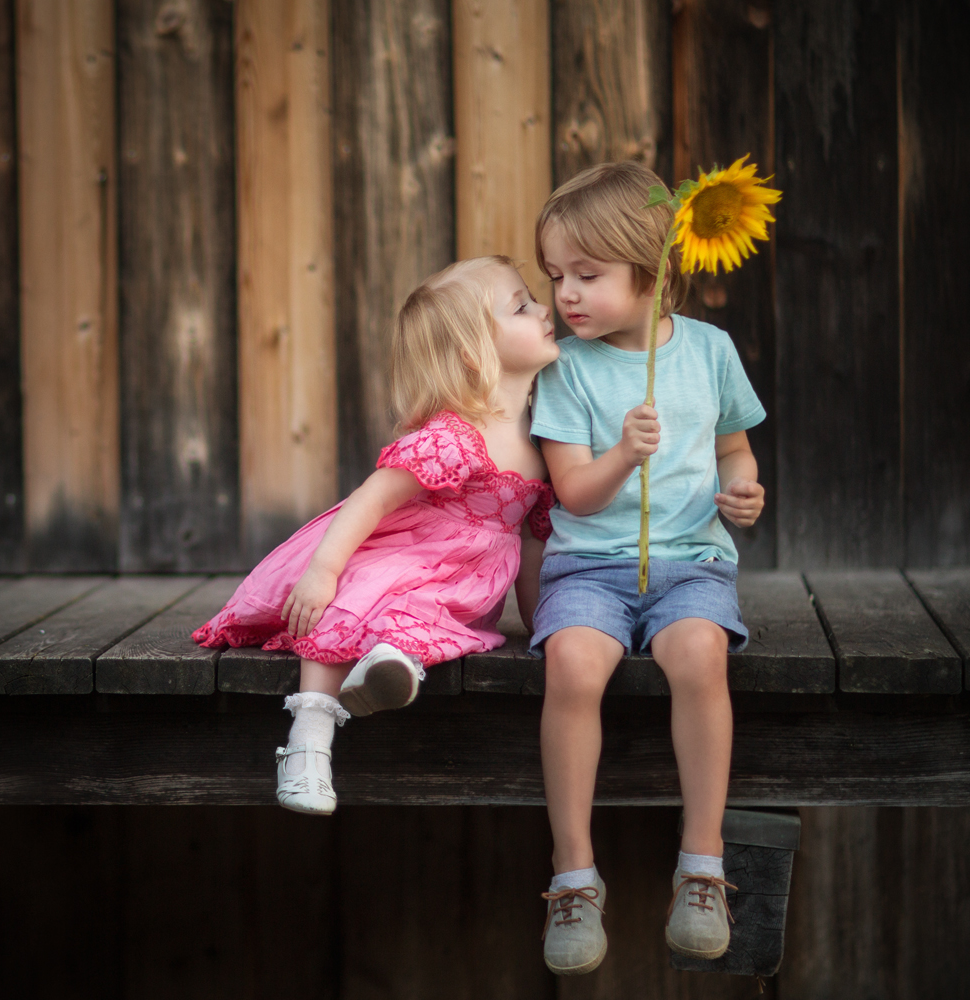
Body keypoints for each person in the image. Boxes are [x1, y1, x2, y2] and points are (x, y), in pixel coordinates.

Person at [194, 256, 559, 815]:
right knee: (353, 600)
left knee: (421, 615)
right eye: (521, 305)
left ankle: (388, 663)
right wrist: (323, 570)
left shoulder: (545, 445)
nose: (543, 308)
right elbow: (371, 499)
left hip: (462, 588)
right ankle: (308, 742)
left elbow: (532, 543)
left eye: (532, 298)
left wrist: (538, 622)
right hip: (402, 554)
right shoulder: (456, 436)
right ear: (472, 351)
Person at [529, 162, 766, 974]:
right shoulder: (563, 368)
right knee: (572, 662)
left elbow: (734, 447)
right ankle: (573, 876)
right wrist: (626, 453)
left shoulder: (709, 351)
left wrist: (741, 492)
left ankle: (702, 864)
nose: (567, 294)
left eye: (588, 276)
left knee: (700, 654)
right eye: (557, 276)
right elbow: (573, 492)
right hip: (587, 571)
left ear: (653, 267)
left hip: (691, 562)